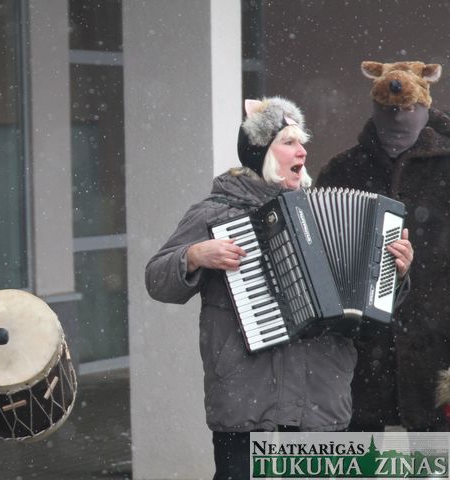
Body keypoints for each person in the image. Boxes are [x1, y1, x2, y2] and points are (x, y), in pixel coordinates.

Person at [145, 96, 413, 479]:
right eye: (289, 142)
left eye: (302, 142)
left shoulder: (321, 210)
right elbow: (157, 280)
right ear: (260, 153)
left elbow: (373, 306)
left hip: (318, 396)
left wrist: (395, 273)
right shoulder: (216, 213)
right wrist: (192, 255)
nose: (302, 151)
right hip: (245, 395)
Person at [317, 60, 449, 432]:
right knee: (361, 456)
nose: (398, 118)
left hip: (438, 346)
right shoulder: (343, 170)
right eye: (389, 110)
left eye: (408, 109)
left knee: (434, 457)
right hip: (361, 351)